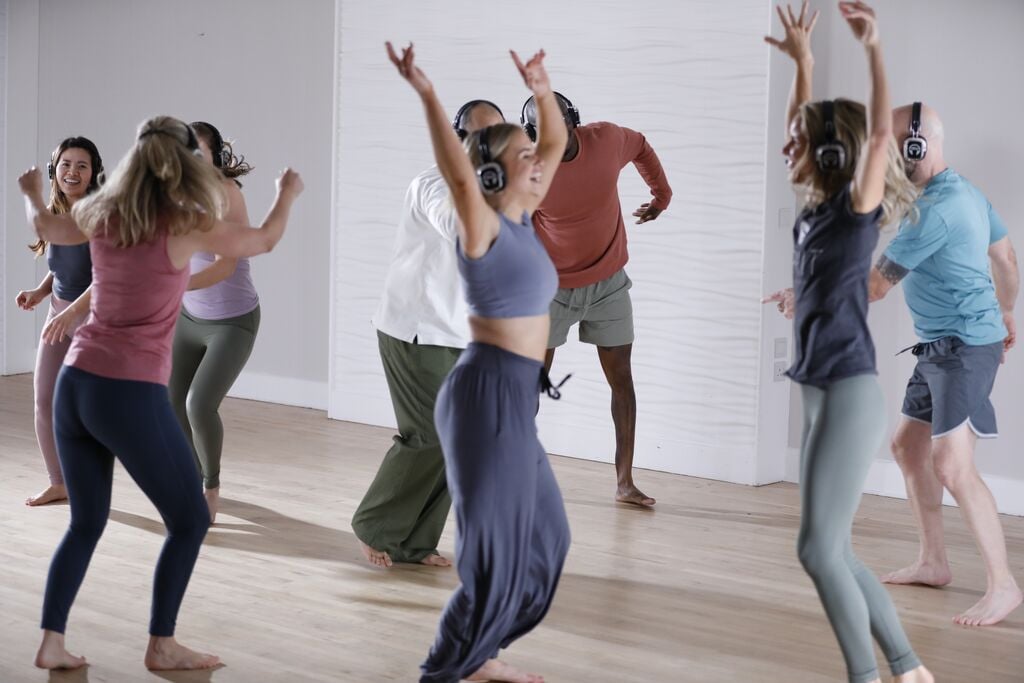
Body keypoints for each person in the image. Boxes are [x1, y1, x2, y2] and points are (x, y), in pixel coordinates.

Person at [18, 116, 303, 671]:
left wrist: (32, 191)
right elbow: (263, 240)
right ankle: (161, 645)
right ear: (181, 166)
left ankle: (52, 640)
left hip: (76, 384)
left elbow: (48, 227)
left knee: (86, 521)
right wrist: (286, 194)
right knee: (191, 521)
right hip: (127, 390)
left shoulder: (102, 212)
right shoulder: (186, 224)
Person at [387, 41, 570, 683]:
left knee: (549, 542)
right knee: (490, 557)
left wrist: (542, 88)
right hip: (483, 396)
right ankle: (443, 671)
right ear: (491, 176)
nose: (538, 162)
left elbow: (553, 141)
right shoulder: (483, 228)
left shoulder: (522, 217)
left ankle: (482, 654)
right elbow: (456, 170)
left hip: (517, 401)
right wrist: (428, 94)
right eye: (521, 158)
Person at [763, 3, 932, 682]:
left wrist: (874, 49)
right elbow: (795, 128)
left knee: (816, 549)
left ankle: (867, 676)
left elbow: (880, 144)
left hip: (850, 389)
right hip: (813, 387)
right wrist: (801, 64)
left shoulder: (857, 209)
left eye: (803, 142)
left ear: (835, 151)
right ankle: (910, 668)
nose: (790, 147)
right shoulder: (811, 210)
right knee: (833, 546)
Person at [866, 100, 1022, 626]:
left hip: (963, 349)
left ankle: (1004, 586)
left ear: (917, 146)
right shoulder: (966, 193)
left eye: (890, 145)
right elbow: (1005, 257)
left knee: (953, 465)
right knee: (908, 448)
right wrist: (1007, 309)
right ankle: (933, 561)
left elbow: (875, 286)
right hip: (939, 345)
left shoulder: (934, 209)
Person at [352, 99, 505, 569]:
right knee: (427, 435)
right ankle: (374, 525)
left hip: (459, 333)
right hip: (413, 331)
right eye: (478, 135)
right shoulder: (433, 184)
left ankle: (415, 542)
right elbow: (458, 228)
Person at [521, 87, 672, 508]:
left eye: (561, 129)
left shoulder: (605, 140)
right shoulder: (528, 173)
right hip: (550, 291)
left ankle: (625, 482)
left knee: (621, 380)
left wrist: (662, 196)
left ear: (574, 121)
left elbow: (640, 145)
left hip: (608, 284)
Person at [169, 121, 262, 524]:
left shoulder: (228, 196)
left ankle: (211, 486)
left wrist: (174, 284)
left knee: (198, 405)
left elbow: (226, 266)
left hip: (232, 322)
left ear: (216, 158)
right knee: (171, 401)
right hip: (188, 318)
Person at [16, 136, 104, 506]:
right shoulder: (54, 215)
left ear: (94, 174)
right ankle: (60, 482)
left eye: (81, 165)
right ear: (54, 171)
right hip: (58, 315)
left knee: (91, 409)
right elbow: (62, 267)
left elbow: (105, 278)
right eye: (66, 164)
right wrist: (40, 292)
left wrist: (71, 313)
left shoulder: (99, 217)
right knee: (44, 400)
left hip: (92, 319)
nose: (72, 172)